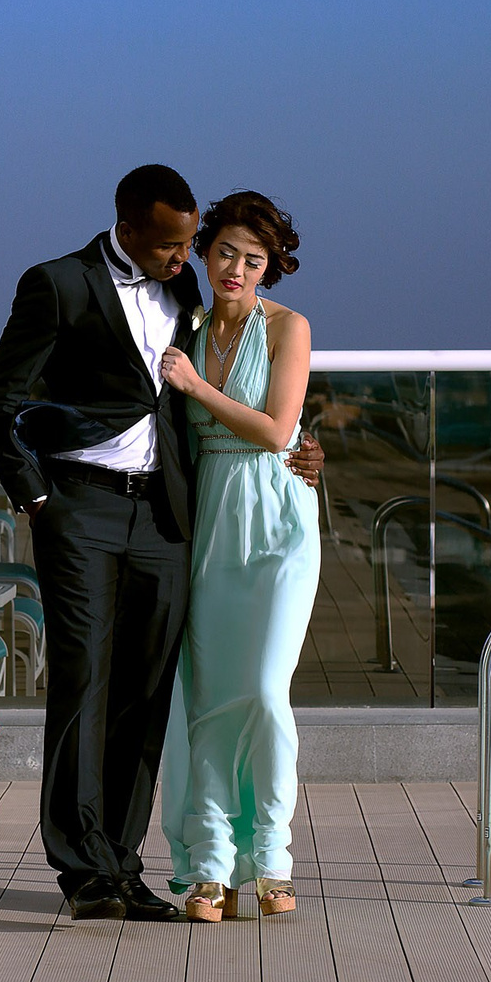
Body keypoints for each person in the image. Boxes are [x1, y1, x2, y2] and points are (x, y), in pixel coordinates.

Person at [0, 165, 321, 922]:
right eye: (173, 245)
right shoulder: (57, 284)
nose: (186, 257)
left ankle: (123, 864)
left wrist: (305, 448)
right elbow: (0, 393)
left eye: (192, 243)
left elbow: (251, 405)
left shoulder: (188, 292)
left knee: (147, 690)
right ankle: (83, 870)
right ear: (127, 228)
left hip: (169, 517)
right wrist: (35, 496)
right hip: (81, 508)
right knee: (82, 683)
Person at [157, 190, 321, 921]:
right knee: (208, 698)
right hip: (210, 517)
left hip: (279, 519)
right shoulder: (184, 325)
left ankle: (274, 854)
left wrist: (194, 385)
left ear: (269, 267)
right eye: (225, 252)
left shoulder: (289, 327)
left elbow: (279, 429)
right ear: (204, 251)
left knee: (263, 689)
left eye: (254, 260)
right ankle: (212, 865)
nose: (237, 269)